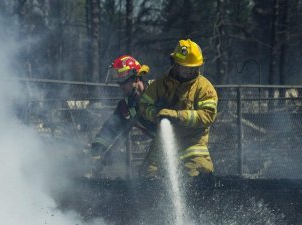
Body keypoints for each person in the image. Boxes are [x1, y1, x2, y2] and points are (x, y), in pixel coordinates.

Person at [138, 38, 218, 178]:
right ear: (175, 64)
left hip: (193, 144)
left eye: (193, 67)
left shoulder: (204, 87)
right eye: (185, 66)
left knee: (199, 177)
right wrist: (156, 114)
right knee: (148, 175)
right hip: (163, 142)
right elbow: (144, 105)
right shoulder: (159, 85)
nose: (189, 71)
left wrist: (177, 115)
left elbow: (208, 116)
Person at [90, 55, 155, 171]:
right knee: (147, 174)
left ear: (136, 78)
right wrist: (96, 150)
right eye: (118, 82)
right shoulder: (126, 106)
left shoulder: (158, 90)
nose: (120, 86)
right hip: (162, 143)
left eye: (122, 81)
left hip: (184, 139)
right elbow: (110, 129)